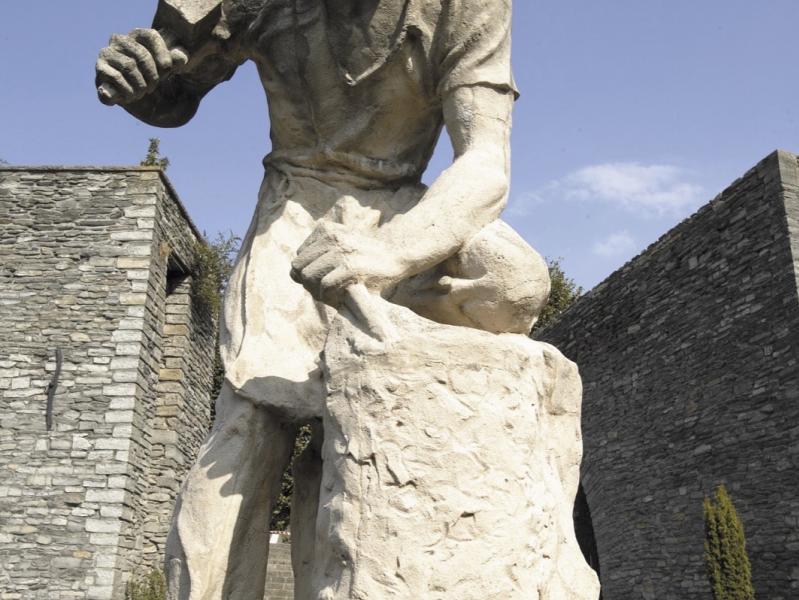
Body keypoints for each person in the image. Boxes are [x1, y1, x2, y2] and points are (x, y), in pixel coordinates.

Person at [96, 1, 550, 598]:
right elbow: (175, 94)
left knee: (515, 285)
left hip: (406, 210)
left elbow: (486, 161)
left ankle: (353, 477)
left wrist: (393, 252)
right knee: (253, 419)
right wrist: (140, 81)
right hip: (297, 202)